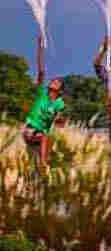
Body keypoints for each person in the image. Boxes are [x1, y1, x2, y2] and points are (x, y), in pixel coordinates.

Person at [22, 34, 65, 176]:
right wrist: (40, 47)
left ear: (60, 89)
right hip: (30, 130)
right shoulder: (41, 93)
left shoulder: (59, 102)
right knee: (44, 138)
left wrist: (59, 119)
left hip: (41, 135)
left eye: (58, 82)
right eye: (53, 80)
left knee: (32, 163)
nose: (54, 82)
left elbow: (60, 117)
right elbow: (40, 71)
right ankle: (44, 164)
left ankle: (37, 173)